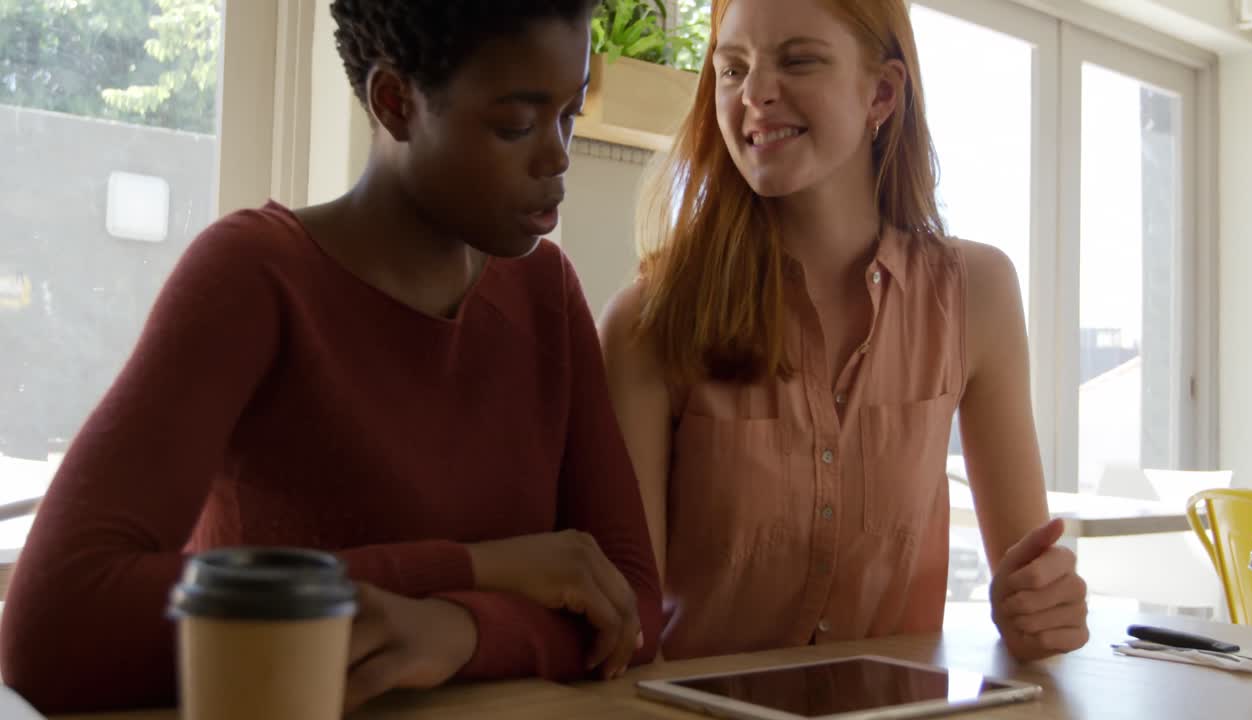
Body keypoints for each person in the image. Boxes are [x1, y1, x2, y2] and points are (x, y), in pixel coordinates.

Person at [0, 0, 661, 713]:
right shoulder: (255, 277)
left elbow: (631, 611)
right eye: (517, 126)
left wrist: (457, 628)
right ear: (395, 102)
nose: (558, 157)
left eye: (570, 115)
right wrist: (474, 569)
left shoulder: (545, 293)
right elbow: (53, 626)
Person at [599, 0, 1088, 662]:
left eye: (798, 60)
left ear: (881, 93)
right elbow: (627, 636)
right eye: (732, 69)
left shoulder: (979, 294)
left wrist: (1042, 609)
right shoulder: (646, 323)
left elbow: (1031, 584)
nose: (755, 94)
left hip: (901, 706)